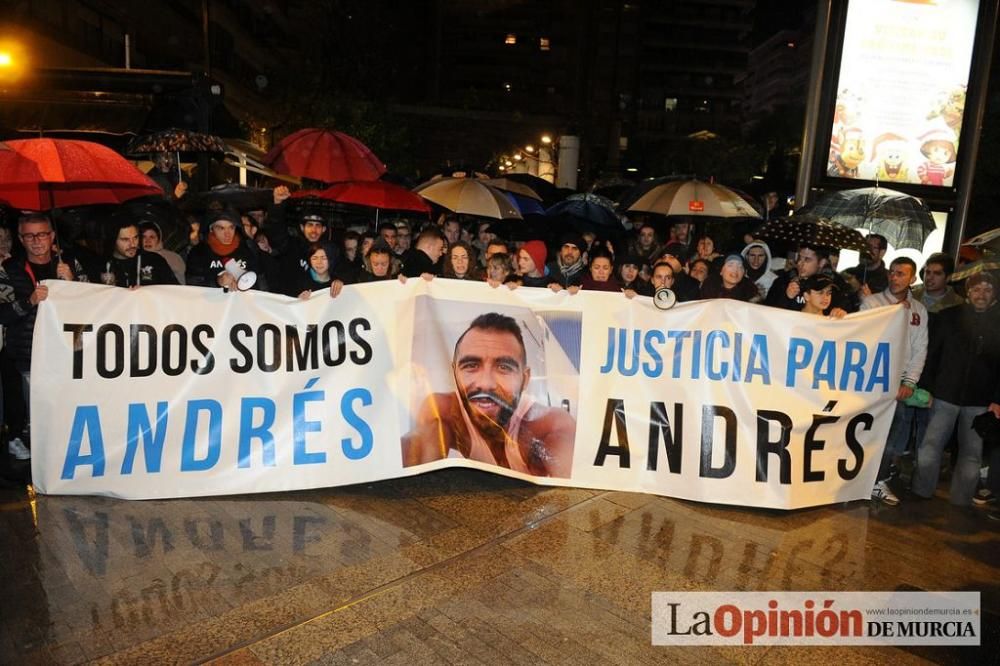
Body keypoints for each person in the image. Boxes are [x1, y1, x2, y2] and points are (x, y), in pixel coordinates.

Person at [401, 312, 575, 476]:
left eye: (504, 368)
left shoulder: (550, 425)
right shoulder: (443, 412)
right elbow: (409, 468)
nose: (486, 383)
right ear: (454, 374)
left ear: (525, 379)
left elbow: (573, 482)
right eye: (471, 365)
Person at [0, 214, 89, 460]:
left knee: (62, 413)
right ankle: (18, 438)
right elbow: (3, 314)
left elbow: (93, 302)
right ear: (20, 239)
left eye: (41, 234)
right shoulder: (9, 269)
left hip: (66, 352)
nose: (36, 241)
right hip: (27, 355)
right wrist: (29, 302)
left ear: (51, 236)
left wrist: (72, 283)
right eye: (29, 235)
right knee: (31, 411)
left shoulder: (68, 263)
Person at [911, 272, 1000, 506]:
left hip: (980, 401)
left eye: (987, 289)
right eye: (976, 289)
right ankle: (921, 491)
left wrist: (997, 399)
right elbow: (932, 356)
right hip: (944, 395)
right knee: (930, 446)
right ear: (967, 292)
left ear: (994, 294)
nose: (981, 294)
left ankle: (961, 502)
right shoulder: (948, 317)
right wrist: (927, 388)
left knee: (972, 454)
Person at [860, 258, 928, 506]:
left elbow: (920, 348)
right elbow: (859, 336)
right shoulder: (872, 302)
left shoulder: (919, 311)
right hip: (872, 378)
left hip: (898, 383)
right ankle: (854, 479)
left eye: (901, 274)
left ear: (912, 279)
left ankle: (877, 481)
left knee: (891, 437)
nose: (894, 277)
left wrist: (909, 382)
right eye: (892, 272)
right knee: (863, 430)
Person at [766, 243, 856, 316]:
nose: (800, 263)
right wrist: (786, 297)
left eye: (807, 260)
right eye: (799, 258)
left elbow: (847, 315)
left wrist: (840, 313)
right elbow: (765, 313)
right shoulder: (783, 281)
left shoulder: (834, 285)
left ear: (821, 263)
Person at [185, 210, 263, 290]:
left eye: (231, 227)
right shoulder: (199, 252)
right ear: (211, 228)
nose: (227, 234)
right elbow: (193, 284)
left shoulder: (247, 248)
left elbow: (260, 280)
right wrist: (218, 282)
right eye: (221, 228)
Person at [103, 220, 178, 287]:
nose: (132, 244)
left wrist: (146, 292)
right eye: (125, 239)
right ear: (113, 240)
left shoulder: (155, 260)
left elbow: (174, 291)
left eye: (135, 238)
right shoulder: (100, 265)